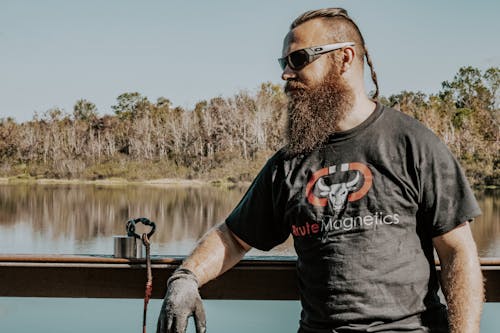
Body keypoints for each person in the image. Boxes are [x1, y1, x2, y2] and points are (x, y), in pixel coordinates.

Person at [156, 8, 484, 333]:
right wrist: (186, 278)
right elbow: (233, 237)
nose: (285, 73)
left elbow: (457, 252)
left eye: (298, 59)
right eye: (283, 63)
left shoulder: (414, 144)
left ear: (344, 58)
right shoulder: (290, 161)